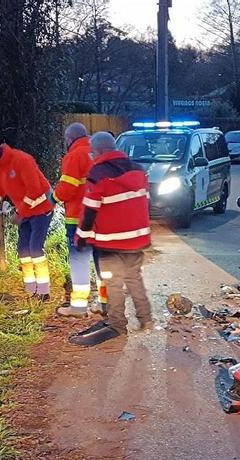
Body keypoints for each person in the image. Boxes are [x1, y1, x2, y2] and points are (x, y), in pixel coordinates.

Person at [69, 132, 153, 346]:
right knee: (134, 278)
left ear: (96, 151)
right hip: (137, 239)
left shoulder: (98, 173)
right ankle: (145, 319)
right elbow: (145, 203)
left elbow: (89, 210)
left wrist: (81, 237)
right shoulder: (138, 169)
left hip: (111, 241)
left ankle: (117, 324)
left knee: (113, 283)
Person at [0, 137, 54, 301]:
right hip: (24, 211)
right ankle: (31, 289)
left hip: (41, 208)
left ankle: (43, 291)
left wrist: (20, 213)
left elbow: (35, 190)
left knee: (35, 249)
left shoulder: (22, 160)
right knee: (23, 251)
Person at [53, 122, 107, 317]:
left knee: (79, 262)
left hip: (78, 219)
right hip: (102, 219)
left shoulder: (74, 156)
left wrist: (53, 199)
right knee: (102, 262)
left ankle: (78, 306)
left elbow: (67, 189)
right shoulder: (99, 153)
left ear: (69, 139)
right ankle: (104, 303)